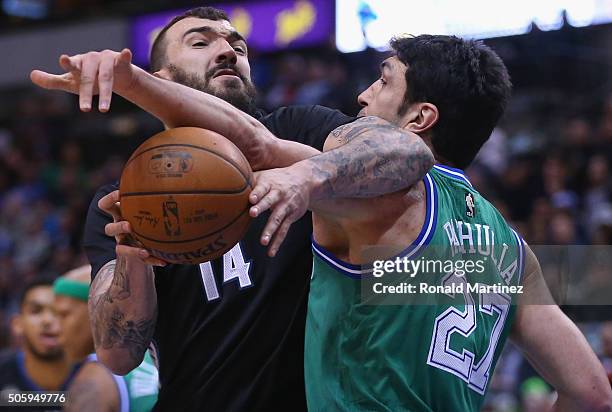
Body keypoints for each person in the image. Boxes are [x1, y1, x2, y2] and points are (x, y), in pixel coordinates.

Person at [31, 6, 433, 410]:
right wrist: (133, 259)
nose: (227, 51)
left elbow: (407, 152)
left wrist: (305, 177)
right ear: (162, 81)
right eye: (201, 42)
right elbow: (118, 354)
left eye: (236, 45)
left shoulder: (296, 130)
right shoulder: (124, 199)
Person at [255, 35, 612, 410]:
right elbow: (592, 394)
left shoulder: (386, 198)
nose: (363, 95)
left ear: (420, 118)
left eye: (384, 81)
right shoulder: (513, 248)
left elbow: (257, 142)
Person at [53, 265, 158, 412]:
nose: (56, 328)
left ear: (95, 308)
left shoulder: (94, 381)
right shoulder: (159, 354)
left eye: (64, 314)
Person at [0, 278, 75, 411]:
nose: (47, 320)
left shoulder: (98, 375)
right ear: (17, 324)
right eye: (36, 311)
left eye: (58, 312)